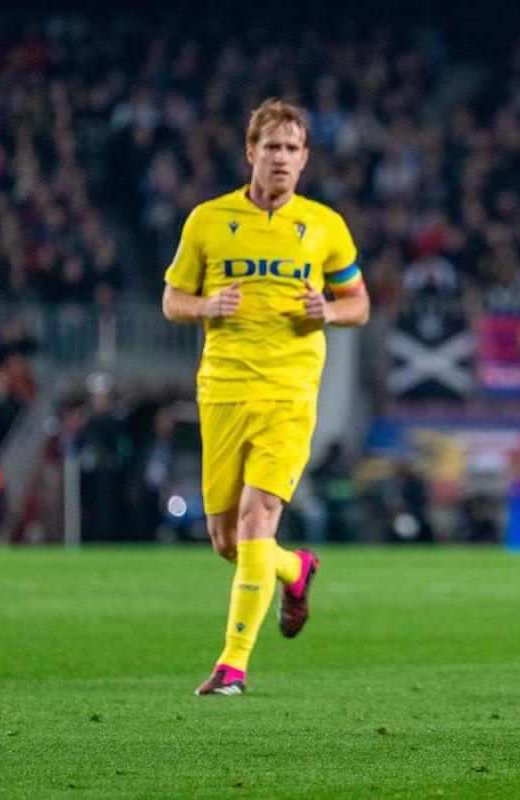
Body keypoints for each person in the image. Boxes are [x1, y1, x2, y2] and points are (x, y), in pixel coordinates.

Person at [162, 99, 370, 696]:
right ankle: (295, 569)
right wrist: (206, 305)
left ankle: (231, 666)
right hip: (222, 392)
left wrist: (327, 310)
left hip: (289, 393)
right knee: (230, 542)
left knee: (258, 520)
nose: (280, 158)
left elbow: (360, 305)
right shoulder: (207, 220)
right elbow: (173, 299)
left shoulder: (325, 226)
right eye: (271, 147)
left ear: (305, 159)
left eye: (291, 149)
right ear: (250, 151)